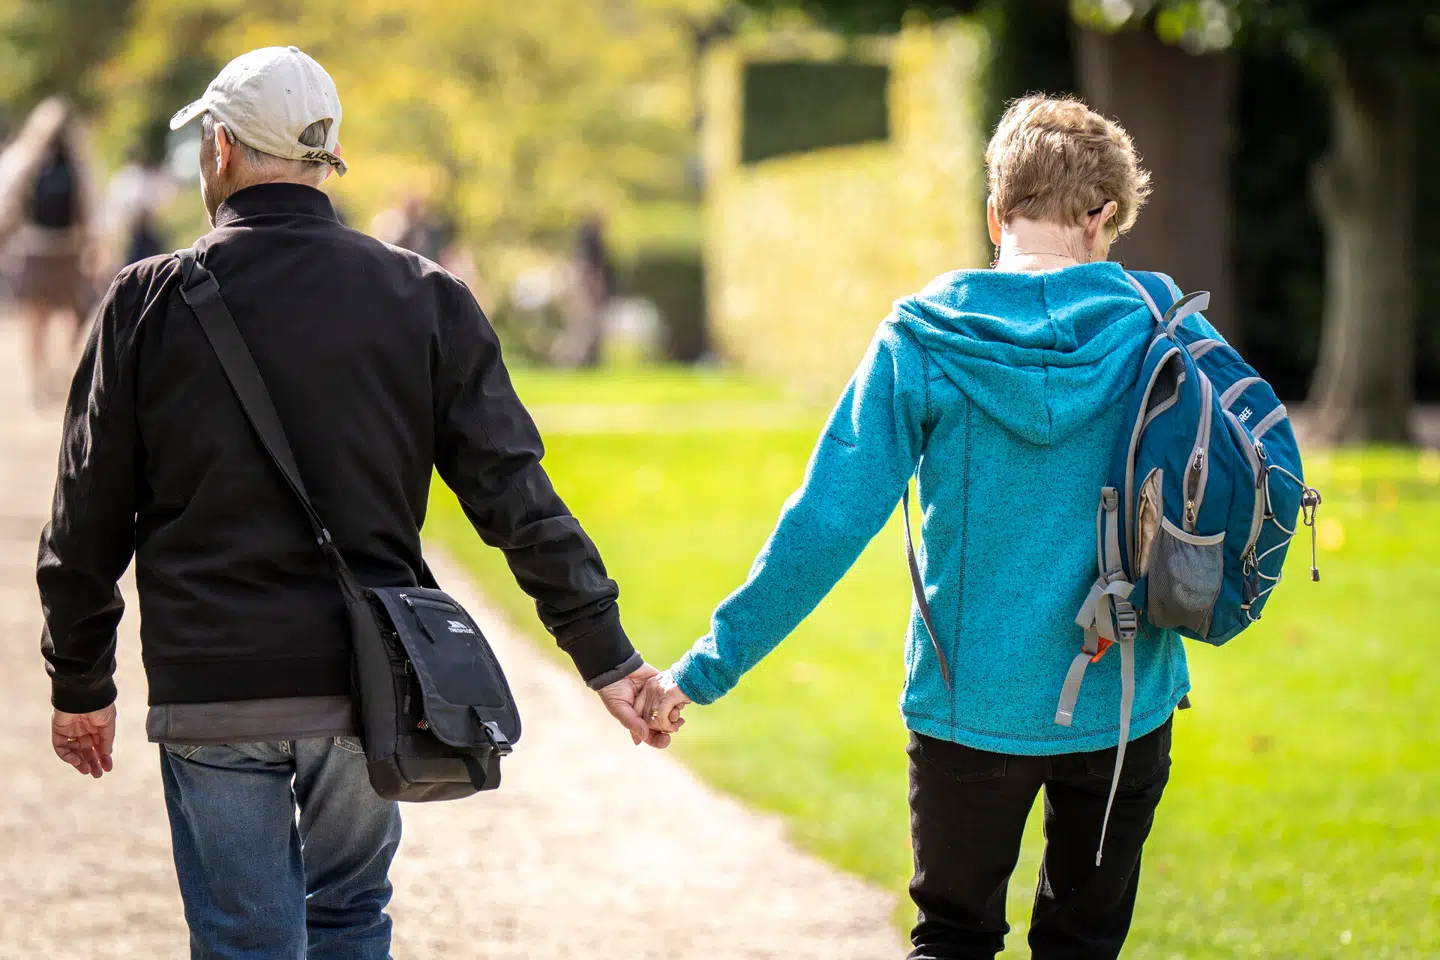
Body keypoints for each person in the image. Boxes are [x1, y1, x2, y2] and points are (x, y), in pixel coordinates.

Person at [37, 46, 664, 959]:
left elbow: (86, 518)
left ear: (221, 148)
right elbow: (514, 494)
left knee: (245, 942)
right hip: (365, 682)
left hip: (214, 687)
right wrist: (608, 658)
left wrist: (81, 681)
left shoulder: (146, 302)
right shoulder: (424, 297)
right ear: (326, 158)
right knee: (348, 920)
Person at [641, 95, 1205, 959]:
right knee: (1083, 945)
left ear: (994, 214)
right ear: (1100, 221)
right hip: (1125, 696)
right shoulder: (1161, 329)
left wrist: (706, 669)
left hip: (964, 704)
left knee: (951, 938)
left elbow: (824, 524)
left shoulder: (923, 339)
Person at [0, 97, 99, 405]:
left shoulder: (26, 157)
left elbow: (7, 200)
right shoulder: (73, 161)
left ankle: (43, 375)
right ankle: (46, 374)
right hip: (59, 246)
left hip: (41, 246)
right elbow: (91, 205)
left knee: (41, 316)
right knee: (55, 314)